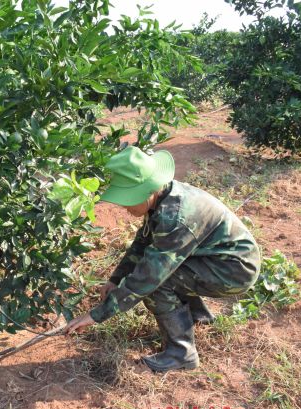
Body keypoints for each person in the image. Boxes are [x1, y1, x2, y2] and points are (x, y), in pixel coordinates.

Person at [64, 146, 261, 372]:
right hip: (217, 260)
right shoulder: (164, 197)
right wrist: (116, 279)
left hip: (235, 270)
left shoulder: (174, 217)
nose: (125, 207)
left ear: (147, 191)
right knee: (167, 269)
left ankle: (181, 354)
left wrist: (97, 315)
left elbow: (149, 276)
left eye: (128, 200)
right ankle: (198, 317)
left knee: (158, 284)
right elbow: (142, 244)